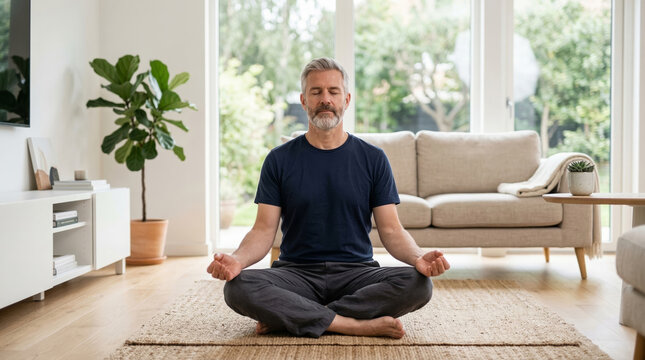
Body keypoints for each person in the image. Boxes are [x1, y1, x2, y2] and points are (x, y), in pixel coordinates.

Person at [207, 57, 450, 339]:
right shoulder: (279, 160)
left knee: (418, 284)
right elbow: (262, 230)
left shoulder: (373, 159)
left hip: (356, 273)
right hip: (296, 273)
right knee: (238, 287)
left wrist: (419, 257)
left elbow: (392, 230)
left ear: (346, 100)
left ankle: (294, 317)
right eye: (316, 92)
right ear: (303, 101)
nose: (325, 99)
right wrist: (237, 260)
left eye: (333, 92)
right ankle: (351, 325)